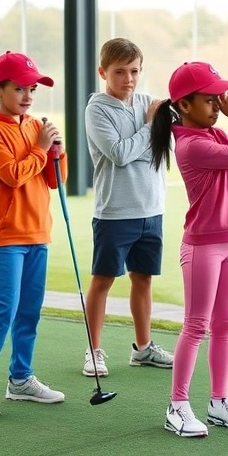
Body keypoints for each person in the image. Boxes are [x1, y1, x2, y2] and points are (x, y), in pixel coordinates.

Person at [148, 62, 228, 437]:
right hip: (203, 246)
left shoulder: (213, 134)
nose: (218, 105)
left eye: (220, 99)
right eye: (209, 99)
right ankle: (178, 406)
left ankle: (219, 403)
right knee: (197, 325)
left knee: (224, 324)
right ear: (184, 105)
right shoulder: (193, 144)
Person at [0, 51, 68, 418]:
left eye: (32, 89)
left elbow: (55, 181)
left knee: (29, 311)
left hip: (38, 230)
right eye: (20, 88)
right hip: (6, 235)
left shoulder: (32, 125)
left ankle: (21, 379)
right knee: (2, 309)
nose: (27, 96)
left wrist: (57, 152)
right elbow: (11, 174)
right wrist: (41, 148)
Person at [82, 38, 172, 377]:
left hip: (151, 210)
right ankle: (93, 351)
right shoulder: (97, 109)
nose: (128, 79)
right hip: (115, 213)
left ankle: (144, 348)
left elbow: (161, 150)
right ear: (103, 72)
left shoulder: (149, 102)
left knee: (143, 279)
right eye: (120, 72)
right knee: (103, 280)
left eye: (134, 71)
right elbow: (119, 154)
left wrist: (144, 138)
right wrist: (149, 128)